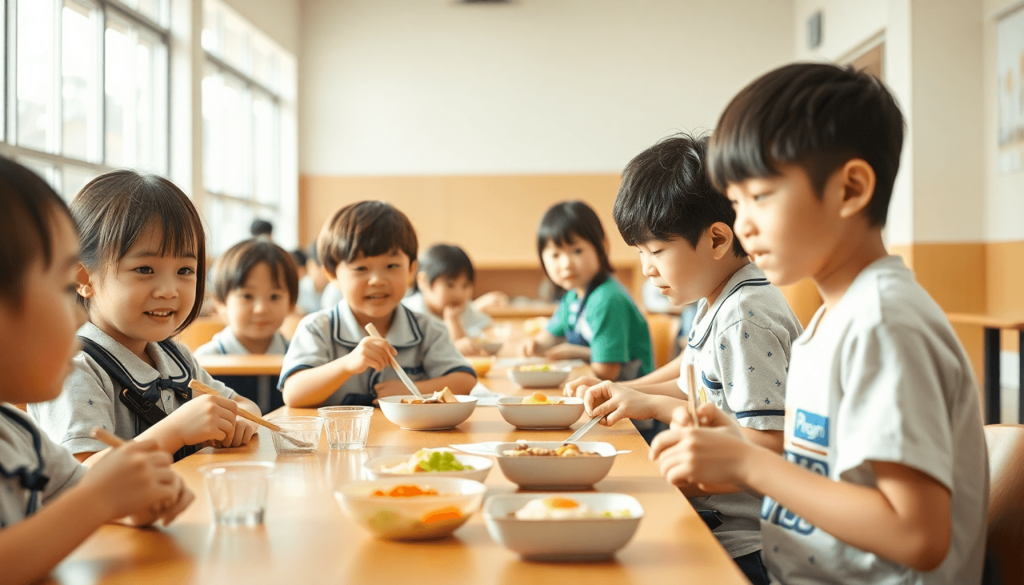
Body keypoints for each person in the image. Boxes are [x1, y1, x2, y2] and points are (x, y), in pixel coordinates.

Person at [652, 63, 988, 584]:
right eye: (736, 203)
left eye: (760, 197)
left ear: (850, 189)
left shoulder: (882, 324)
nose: (744, 225)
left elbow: (917, 535)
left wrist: (749, 466)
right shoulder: (831, 321)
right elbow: (823, 479)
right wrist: (736, 448)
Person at [568, 133, 802, 584]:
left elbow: (772, 446)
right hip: (711, 517)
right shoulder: (718, 297)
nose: (646, 268)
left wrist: (655, 405)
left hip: (748, 545)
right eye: (640, 253)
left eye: (656, 251)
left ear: (716, 239)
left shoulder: (744, 319)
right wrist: (628, 392)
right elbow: (693, 374)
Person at [0, 157, 193, 585]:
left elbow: (77, 494)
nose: (76, 317)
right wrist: (100, 500)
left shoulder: (15, 431)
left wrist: (133, 499)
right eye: (61, 288)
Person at [30, 171, 261, 463]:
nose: (168, 290)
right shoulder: (74, 368)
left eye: (185, 271)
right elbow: (84, 478)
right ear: (84, 278)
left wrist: (241, 424)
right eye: (144, 270)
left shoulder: (175, 356)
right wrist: (175, 431)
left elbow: (244, 406)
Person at [279, 201, 476, 407]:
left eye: (392, 266)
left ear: (410, 270)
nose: (378, 280)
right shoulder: (317, 328)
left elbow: (465, 380)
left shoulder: (427, 330)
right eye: (361, 268)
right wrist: (347, 365)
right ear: (332, 275)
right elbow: (293, 394)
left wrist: (407, 391)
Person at [518, 201, 653, 382]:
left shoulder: (606, 299)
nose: (566, 264)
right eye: (555, 255)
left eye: (577, 251)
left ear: (602, 247)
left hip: (630, 395)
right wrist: (534, 345)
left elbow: (607, 371)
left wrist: (575, 353)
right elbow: (548, 338)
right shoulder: (573, 296)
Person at [195, 238, 299, 412]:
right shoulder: (204, 363)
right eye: (247, 296)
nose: (260, 309)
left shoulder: (298, 359)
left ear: (291, 304)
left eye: (274, 296)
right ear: (220, 303)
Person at [402, 244, 494, 356]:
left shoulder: (462, 308)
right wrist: (452, 345)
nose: (459, 293)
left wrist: (454, 320)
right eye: (450, 285)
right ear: (423, 281)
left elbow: (489, 332)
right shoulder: (409, 312)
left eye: (465, 285)